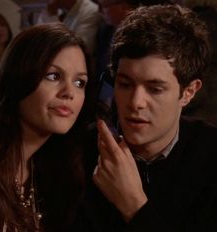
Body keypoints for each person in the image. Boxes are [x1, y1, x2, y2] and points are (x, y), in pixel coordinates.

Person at [91, 4, 217, 232]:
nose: (136, 102)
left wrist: (134, 206)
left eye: (155, 88)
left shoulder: (210, 154)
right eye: (125, 84)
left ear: (188, 92)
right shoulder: (82, 150)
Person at [0, 22, 94, 231]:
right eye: (53, 76)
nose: (69, 92)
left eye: (80, 83)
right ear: (19, 77)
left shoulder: (46, 173)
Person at [37, 0, 102, 55]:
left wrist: (52, 17)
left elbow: (80, 50)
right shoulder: (54, 8)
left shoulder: (90, 11)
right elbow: (39, 43)